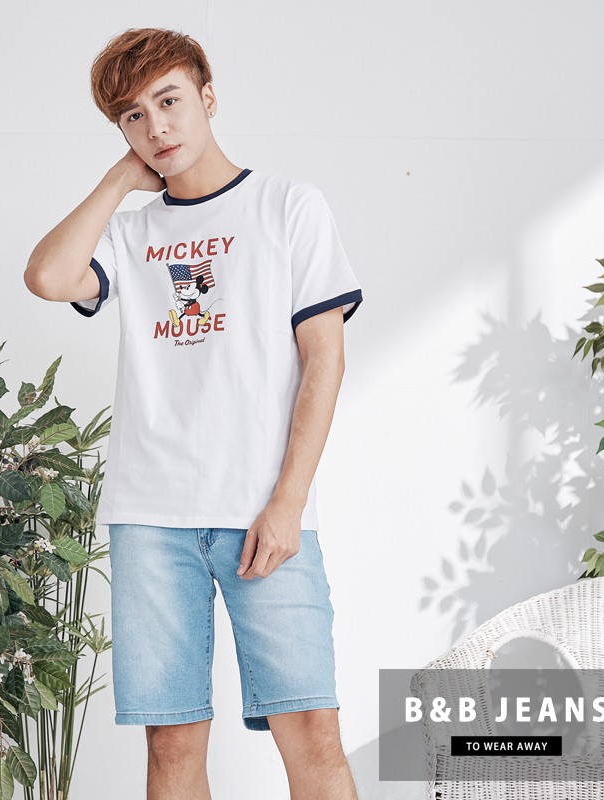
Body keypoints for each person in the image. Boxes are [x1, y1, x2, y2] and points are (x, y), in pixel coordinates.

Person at [24, 26, 363, 800]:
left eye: (169, 101)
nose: (157, 126)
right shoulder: (130, 233)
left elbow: (325, 361)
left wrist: (288, 502)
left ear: (209, 97)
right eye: (134, 116)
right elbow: (47, 277)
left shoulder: (288, 207)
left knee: (311, 730)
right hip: (151, 518)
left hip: (261, 512)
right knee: (171, 746)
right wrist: (121, 178)